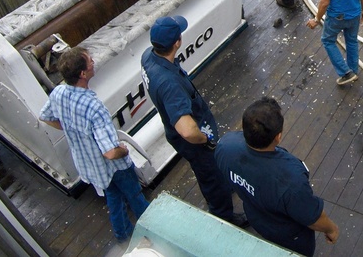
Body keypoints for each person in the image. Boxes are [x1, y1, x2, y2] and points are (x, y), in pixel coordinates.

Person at [140, 15, 248, 228]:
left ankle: (223, 181)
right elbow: (187, 131)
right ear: (177, 42)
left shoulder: (148, 56)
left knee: (215, 168)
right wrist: (204, 139)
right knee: (210, 177)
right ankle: (223, 215)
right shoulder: (169, 85)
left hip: (177, 127)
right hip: (196, 141)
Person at [39, 47, 149, 242]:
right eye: (90, 60)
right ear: (82, 73)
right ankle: (153, 228)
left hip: (91, 166)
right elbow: (109, 153)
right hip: (114, 166)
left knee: (114, 200)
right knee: (135, 196)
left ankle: (123, 236)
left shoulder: (58, 93)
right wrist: (123, 150)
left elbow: (45, 116)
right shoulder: (94, 107)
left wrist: (69, 127)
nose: (93, 62)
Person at [215, 97, 339, 256]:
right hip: (289, 237)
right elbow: (313, 218)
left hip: (257, 218)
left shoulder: (225, 146)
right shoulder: (291, 180)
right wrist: (332, 229)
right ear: (278, 137)